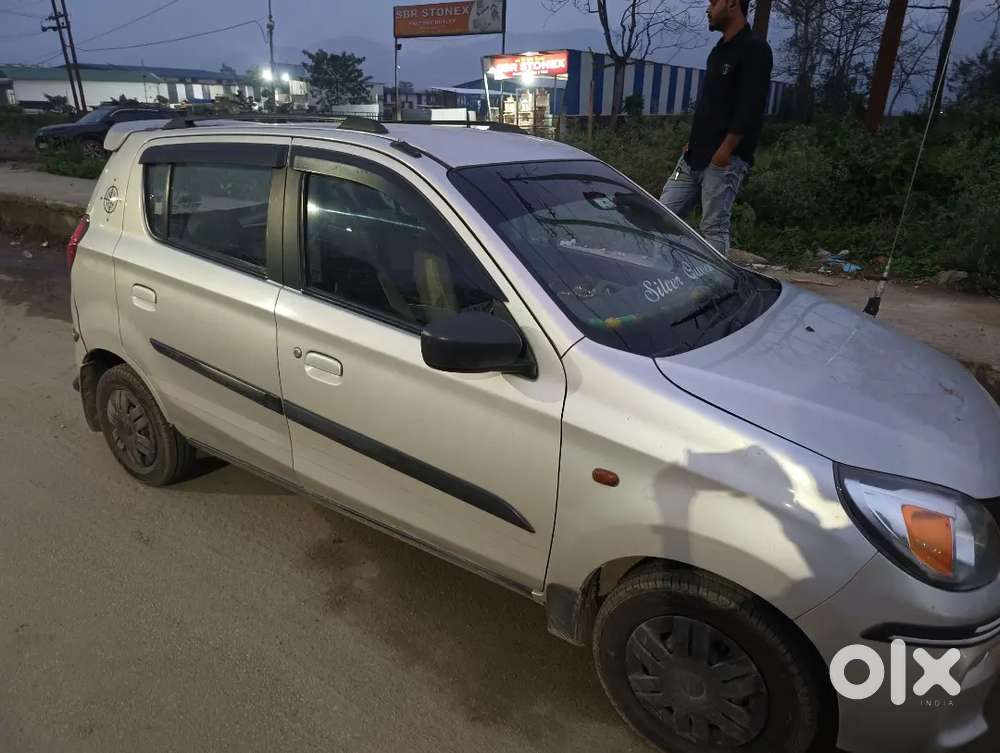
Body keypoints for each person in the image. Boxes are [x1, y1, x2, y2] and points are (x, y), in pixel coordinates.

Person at [659, 0, 773, 256]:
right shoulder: (719, 50)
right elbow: (711, 104)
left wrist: (725, 152)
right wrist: (693, 141)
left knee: (713, 227)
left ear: (732, 4)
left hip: (724, 160)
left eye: (714, 2)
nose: (708, 9)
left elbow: (750, 107)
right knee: (662, 214)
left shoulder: (755, 49)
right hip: (693, 157)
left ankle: (714, 286)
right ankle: (666, 274)